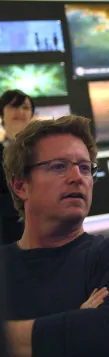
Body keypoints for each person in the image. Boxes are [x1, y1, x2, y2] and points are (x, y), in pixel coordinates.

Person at [0, 115, 109, 357]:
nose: (77, 178)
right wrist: (64, 350)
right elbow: (86, 342)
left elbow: (107, 333)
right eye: (59, 166)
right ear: (20, 185)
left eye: (85, 168)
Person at [0, 90, 35, 246]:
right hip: (8, 238)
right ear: (1, 114)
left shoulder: (45, 152)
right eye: (14, 106)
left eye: (25, 107)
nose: (20, 111)